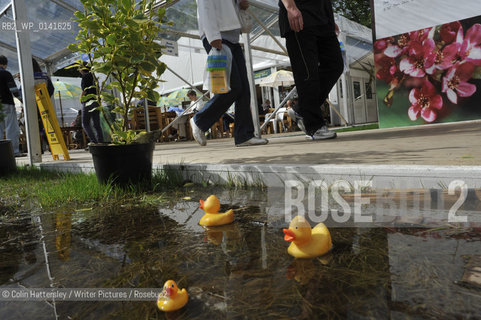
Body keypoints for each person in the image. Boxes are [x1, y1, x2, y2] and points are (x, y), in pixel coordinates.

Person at [192, 0, 268, 147]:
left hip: (232, 37)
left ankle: (244, 135)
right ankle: (199, 120)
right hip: (218, 37)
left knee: (244, 88)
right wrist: (213, 36)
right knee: (234, 86)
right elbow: (205, 5)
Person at [279, 0, 343, 140]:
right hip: (300, 16)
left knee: (335, 65)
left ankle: (301, 109)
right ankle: (314, 126)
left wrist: (328, 19)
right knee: (307, 73)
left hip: (322, 20)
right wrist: (290, 7)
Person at [0, 55, 22, 157]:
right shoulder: (5, 73)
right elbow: (13, 90)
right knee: (11, 128)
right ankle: (14, 152)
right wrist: (22, 100)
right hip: (6, 103)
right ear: (5, 64)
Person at [79, 62, 104, 144]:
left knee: (85, 123)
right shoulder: (94, 76)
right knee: (96, 123)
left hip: (88, 101)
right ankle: (101, 141)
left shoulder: (85, 77)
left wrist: (81, 98)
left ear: (82, 69)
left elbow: (85, 90)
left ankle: (94, 141)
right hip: (96, 101)